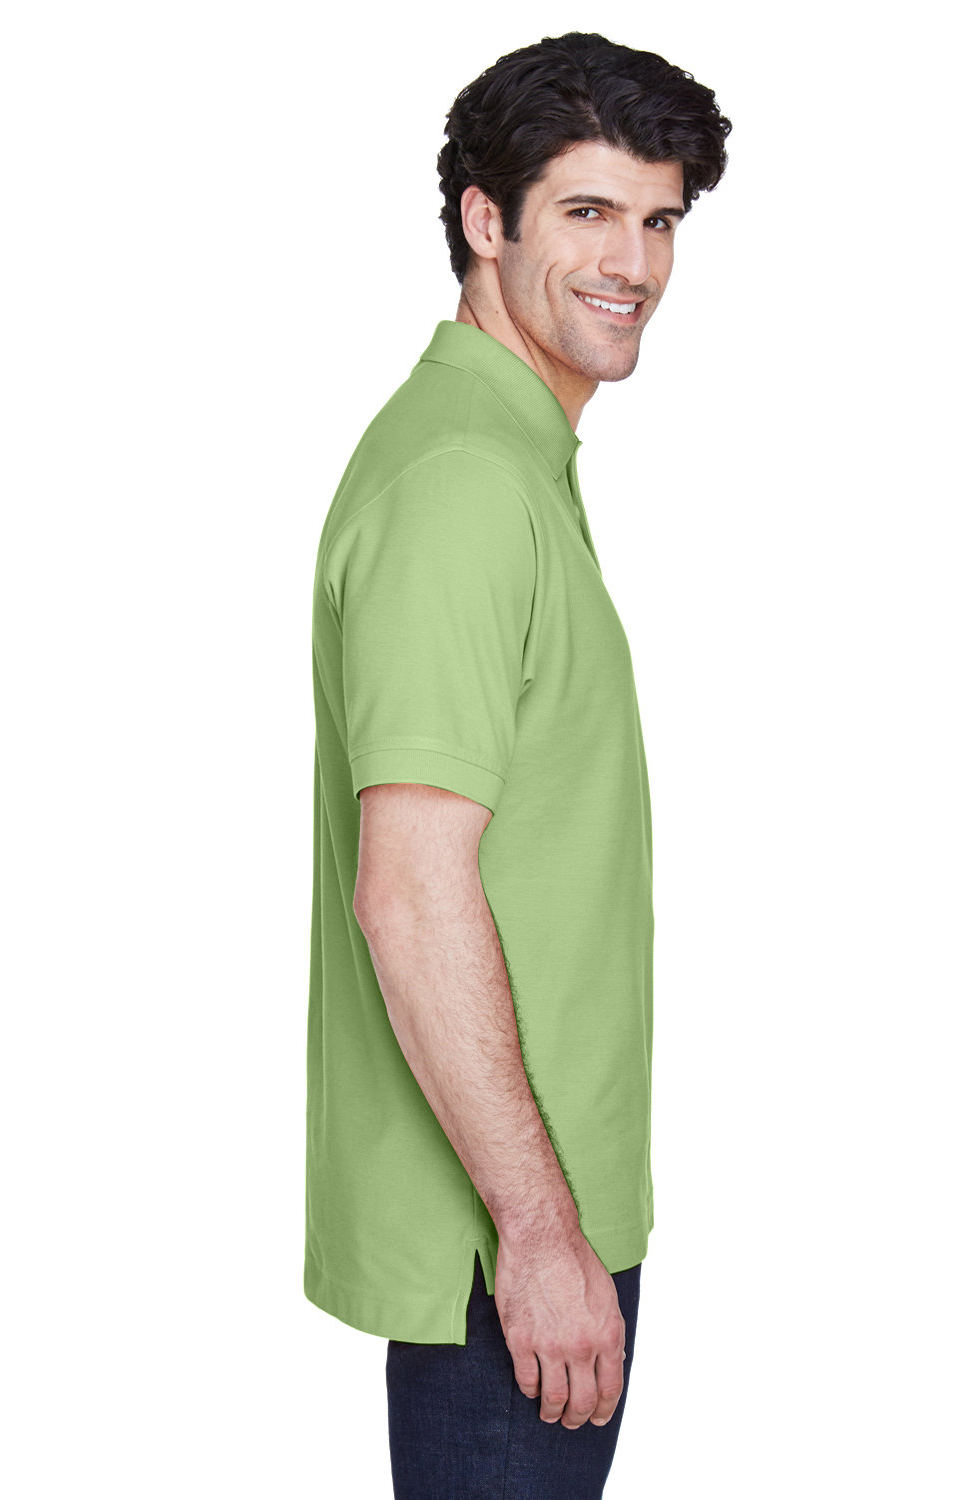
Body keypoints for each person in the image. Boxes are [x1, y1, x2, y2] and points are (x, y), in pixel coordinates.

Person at [305, 32, 731, 1498]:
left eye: (659, 219)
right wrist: (543, 1234)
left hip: (535, 1218)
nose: (634, 263)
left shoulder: (509, 458)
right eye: (587, 212)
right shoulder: (465, 489)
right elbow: (410, 893)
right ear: (484, 221)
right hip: (508, 1247)